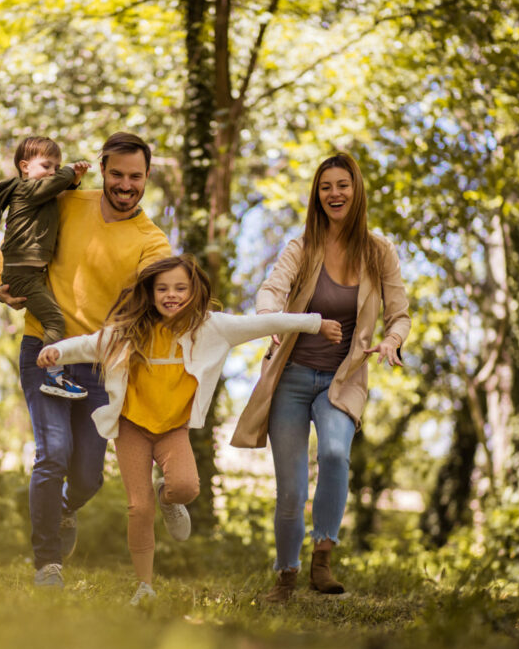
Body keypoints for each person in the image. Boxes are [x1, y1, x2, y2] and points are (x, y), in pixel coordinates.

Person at [37, 254, 342, 605]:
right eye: (163, 288)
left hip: (172, 430)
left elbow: (265, 322)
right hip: (132, 428)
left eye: (180, 288)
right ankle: (145, 586)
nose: (171, 295)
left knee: (186, 487)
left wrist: (315, 324)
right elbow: (89, 344)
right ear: (150, 293)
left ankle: (168, 496)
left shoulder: (212, 328)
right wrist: (56, 352)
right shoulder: (128, 331)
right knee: (139, 507)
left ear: (194, 290)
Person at [231, 152, 411, 602]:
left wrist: (391, 341)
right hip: (290, 377)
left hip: (342, 380)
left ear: (356, 191)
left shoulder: (378, 251)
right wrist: (271, 319)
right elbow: (273, 287)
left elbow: (400, 314)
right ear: (318, 194)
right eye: (326, 186)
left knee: (334, 455)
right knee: (290, 488)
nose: (334, 193)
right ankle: (286, 576)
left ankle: (322, 559)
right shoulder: (303, 247)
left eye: (342, 185)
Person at [0, 132, 171, 589]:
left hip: (97, 364)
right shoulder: (69, 201)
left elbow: (169, 298)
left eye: (135, 176)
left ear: (147, 177)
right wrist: (4, 282)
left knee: (89, 476)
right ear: (104, 169)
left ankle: (66, 508)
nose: (125, 184)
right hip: (44, 348)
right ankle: (47, 564)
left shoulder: (153, 243)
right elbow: (18, 233)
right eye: (116, 174)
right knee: (52, 453)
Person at [0, 136, 92, 399]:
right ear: (25, 166)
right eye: (47, 166)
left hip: (30, 274)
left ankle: (55, 375)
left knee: (52, 315)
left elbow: (64, 194)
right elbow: (56, 184)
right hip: (21, 275)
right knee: (54, 320)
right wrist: (69, 171)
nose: (52, 172)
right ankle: (54, 377)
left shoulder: (43, 194)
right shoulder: (25, 189)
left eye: (56, 167)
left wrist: (74, 180)